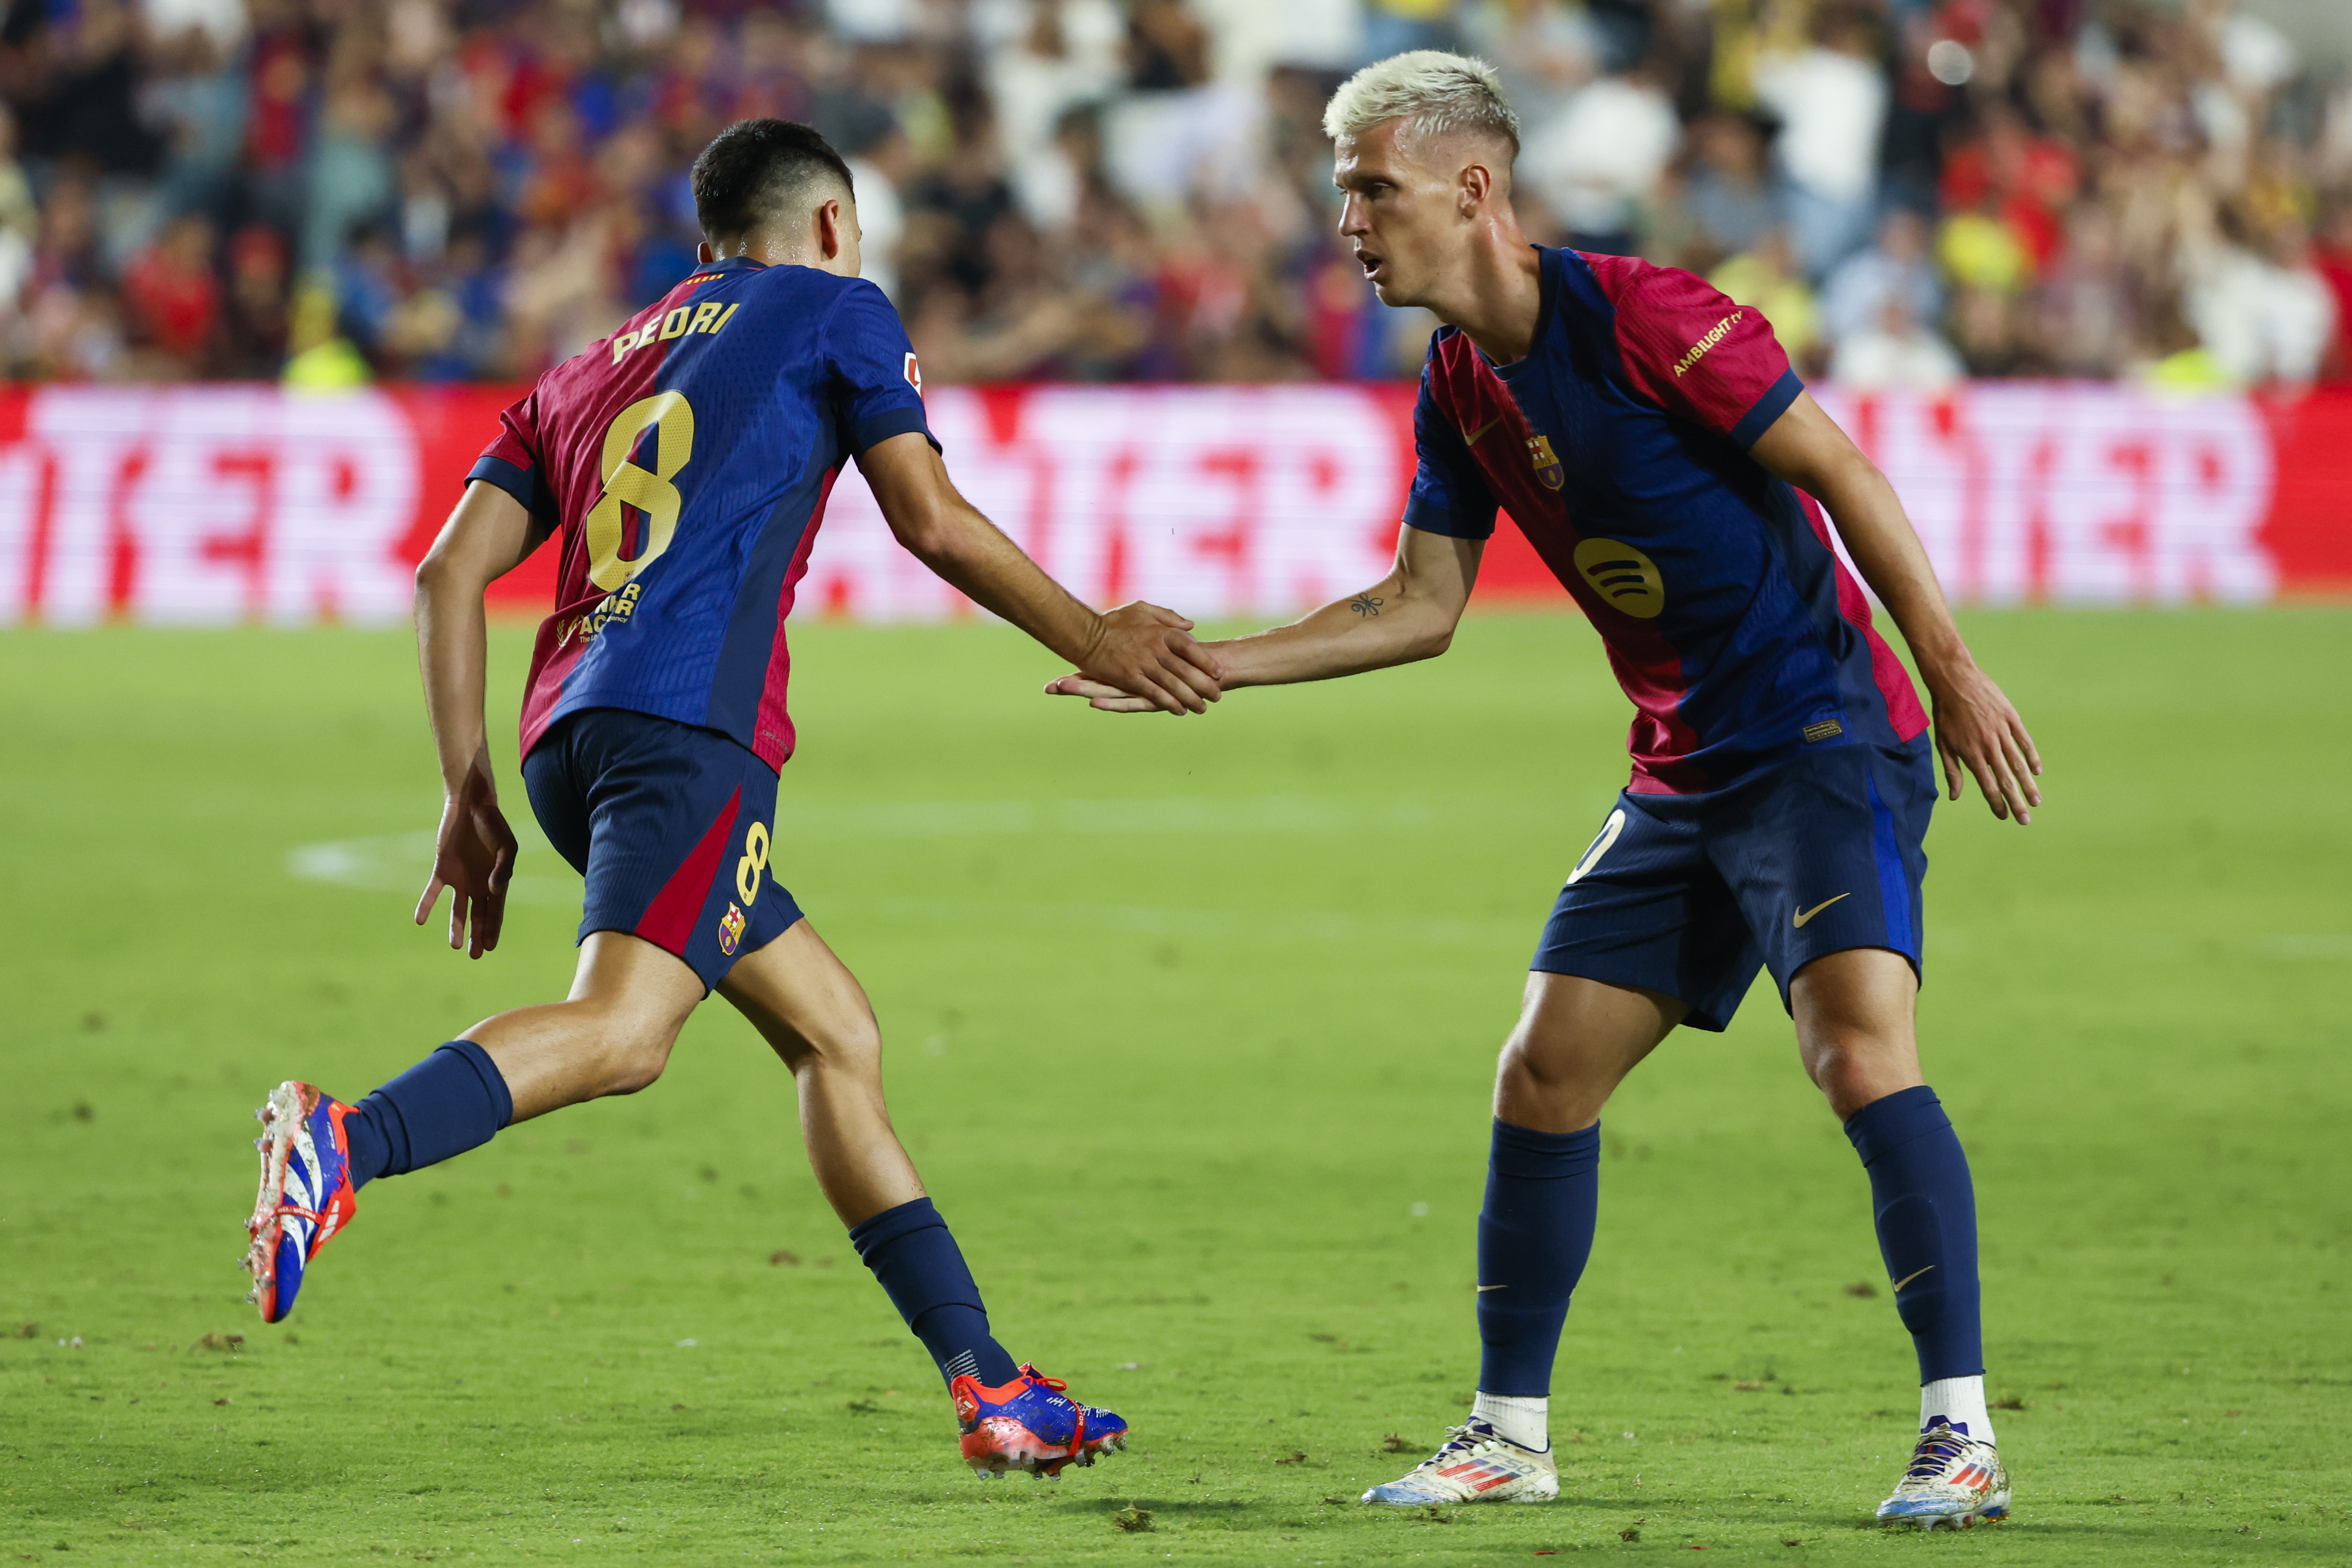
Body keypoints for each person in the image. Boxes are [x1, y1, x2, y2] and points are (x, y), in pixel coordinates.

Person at [1050, 53, 2039, 1529]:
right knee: (1543, 1070)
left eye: (1369, 189)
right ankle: (1509, 1435)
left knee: (1852, 1046)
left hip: (1825, 735)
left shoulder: (1650, 317)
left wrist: (1949, 668)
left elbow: (1839, 471)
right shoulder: (1458, 381)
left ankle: (1961, 1434)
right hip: (1682, 767)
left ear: (1470, 187)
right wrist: (1215, 668)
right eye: (1342, 194)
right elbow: (1419, 603)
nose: (1348, 222)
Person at [240, 118, 1223, 1479]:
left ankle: (991, 1384)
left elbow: (445, 575)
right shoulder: (838, 308)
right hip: (690, 728)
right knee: (628, 1031)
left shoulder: (588, 364)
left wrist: (467, 789)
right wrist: (1095, 636)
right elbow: (927, 517)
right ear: (829, 225)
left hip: (561, 741)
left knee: (835, 1034)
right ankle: (346, 1139)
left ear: (704, 245)